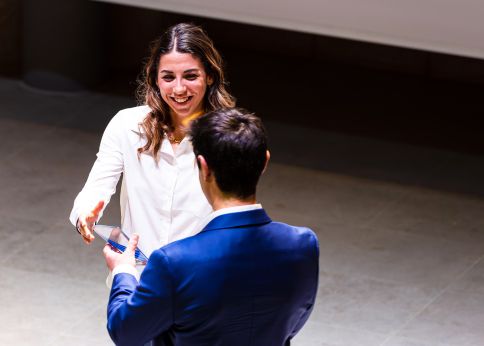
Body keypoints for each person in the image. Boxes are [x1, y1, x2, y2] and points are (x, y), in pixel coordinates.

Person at [104, 108, 319, 346]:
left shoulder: (174, 261)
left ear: (203, 166)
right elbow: (294, 320)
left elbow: (126, 333)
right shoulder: (304, 244)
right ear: (264, 162)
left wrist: (123, 271)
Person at [69, 23, 235, 257]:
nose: (179, 89)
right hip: (137, 278)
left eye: (190, 76)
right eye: (168, 77)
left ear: (209, 76)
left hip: (200, 279)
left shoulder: (229, 135)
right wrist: (86, 213)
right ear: (155, 79)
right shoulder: (127, 124)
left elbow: (237, 214)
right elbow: (97, 187)